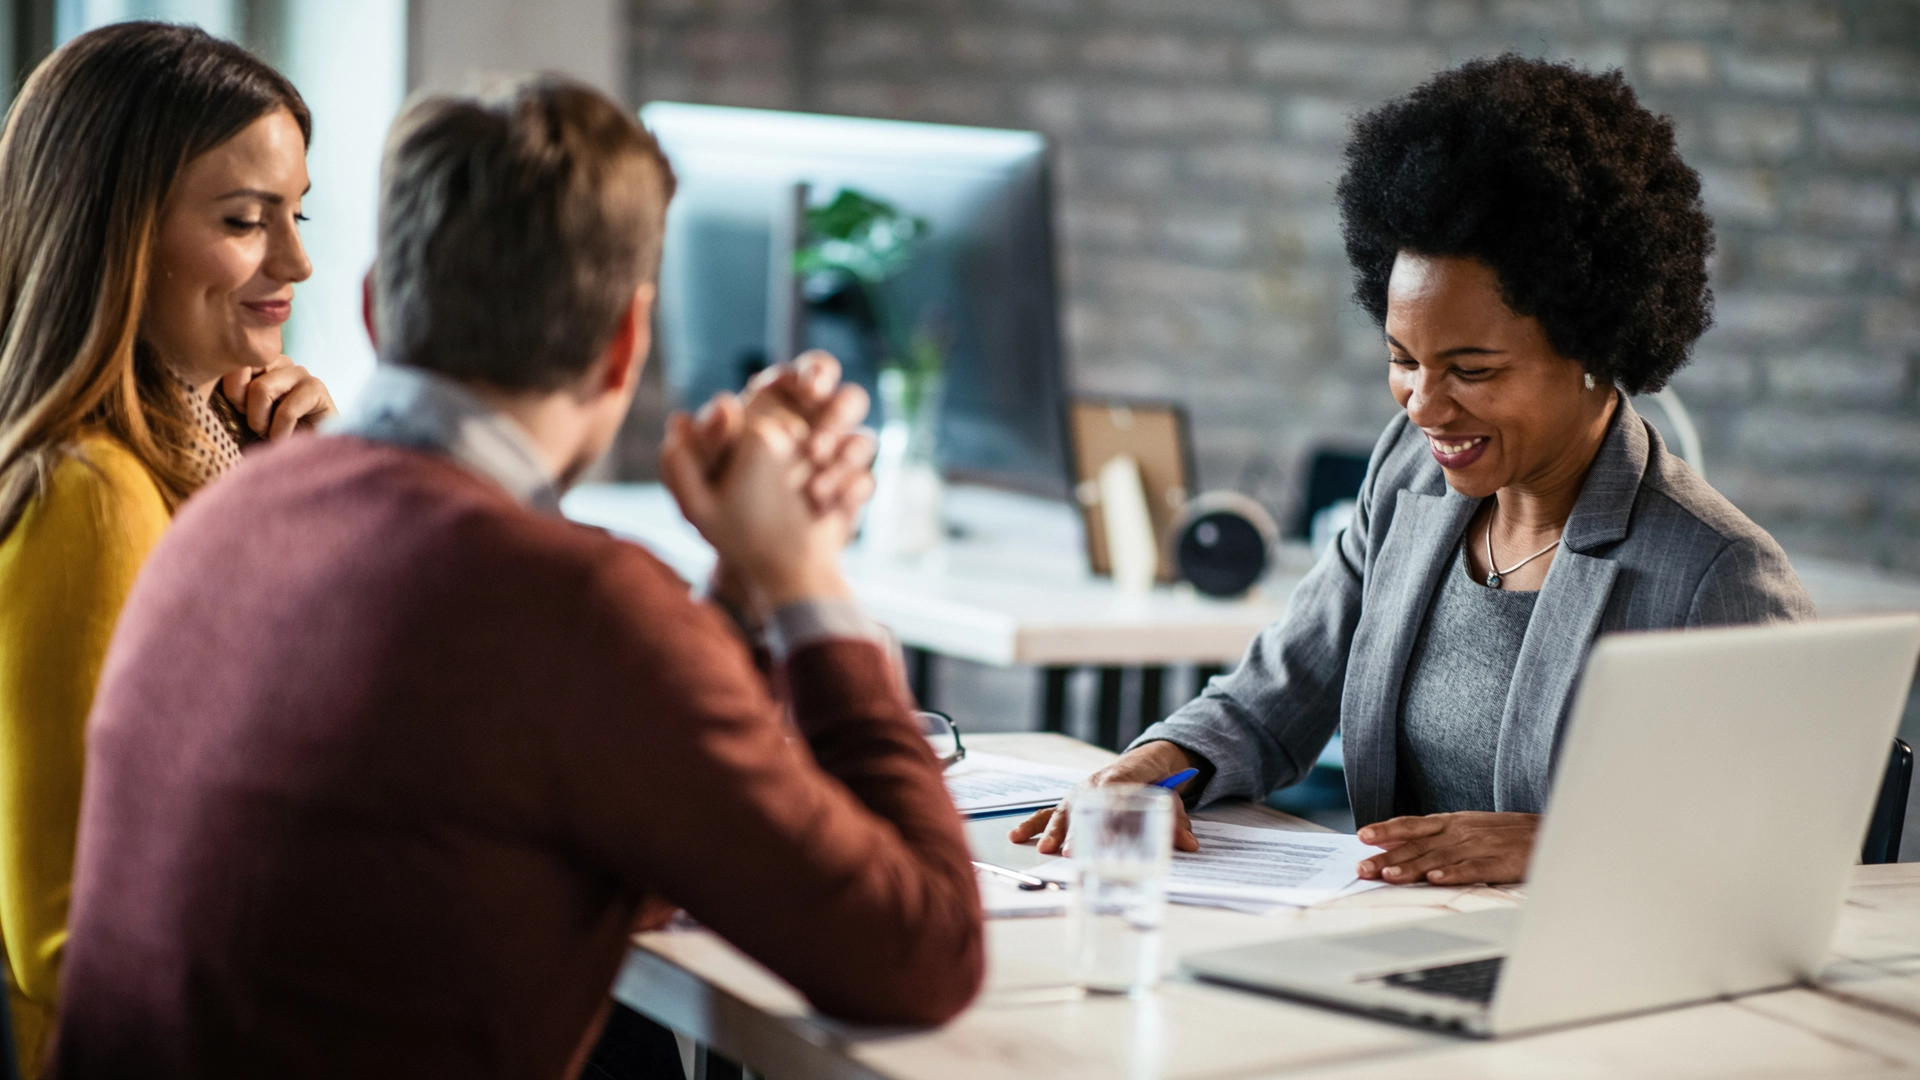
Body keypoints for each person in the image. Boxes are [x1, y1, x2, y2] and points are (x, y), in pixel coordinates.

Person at [51, 76, 982, 1078]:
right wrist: (809, 581)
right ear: (627, 339)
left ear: (374, 308)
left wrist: (742, 592)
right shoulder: (580, 608)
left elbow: (610, 786)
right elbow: (924, 956)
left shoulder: (225, 511)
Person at [1015, 55, 1812, 887]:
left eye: (1471, 370)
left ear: (1592, 348)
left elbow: (1788, 845)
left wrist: (1564, 844)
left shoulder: (1717, 574)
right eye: (1403, 359)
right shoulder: (1410, 476)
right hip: (1395, 952)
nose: (1424, 406)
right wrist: (1157, 762)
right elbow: (1275, 693)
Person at [0, 23, 333, 1075]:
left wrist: (296, 495)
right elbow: (70, 934)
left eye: (297, 214)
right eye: (245, 221)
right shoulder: (92, 497)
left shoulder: (201, 454)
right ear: (118, 235)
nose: (296, 261)